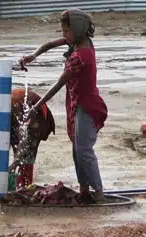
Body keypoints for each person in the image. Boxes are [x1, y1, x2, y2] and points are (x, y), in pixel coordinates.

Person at [20, 9, 108, 202]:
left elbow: (58, 84)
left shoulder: (80, 56)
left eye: (66, 31)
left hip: (88, 106)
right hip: (77, 104)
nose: (63, 35)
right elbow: (50, 44)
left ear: (78, 29)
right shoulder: (79, 43)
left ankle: (99, 193)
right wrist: (33, 55)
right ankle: (85, 191)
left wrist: (37, 106)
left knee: (84, 151)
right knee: (77, 149)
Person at [0, 88, 55, 188]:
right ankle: (18, 181)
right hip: (17, 121)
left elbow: (24, 139)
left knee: (25, 157)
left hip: (35, 117)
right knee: (13, 146)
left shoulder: (16, 106)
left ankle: (24, 186)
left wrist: (14, 164)